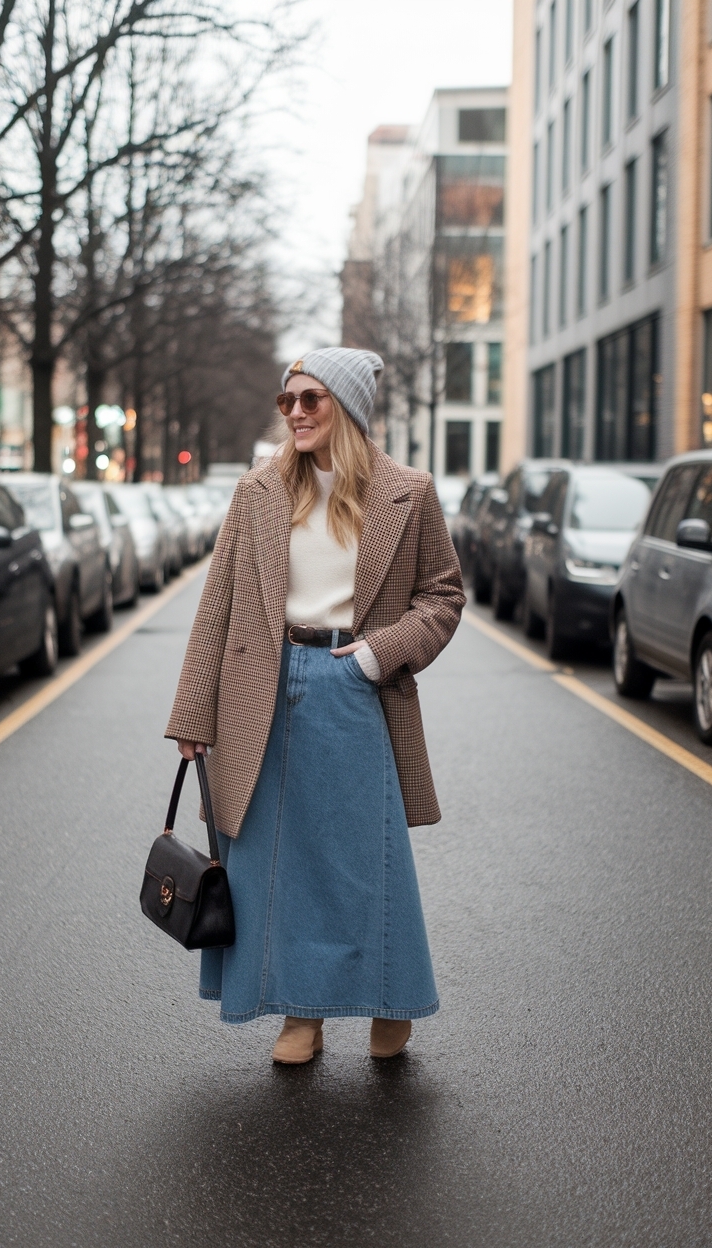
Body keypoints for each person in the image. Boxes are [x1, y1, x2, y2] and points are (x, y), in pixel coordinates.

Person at [166, 347, 466, 1064]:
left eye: (311, 400)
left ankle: (389, 1001)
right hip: (258, 686)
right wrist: (192, 716)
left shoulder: (408, 492)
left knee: (364, 859)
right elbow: (219, 605)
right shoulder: (258, 492)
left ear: (350, 408)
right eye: (287, 401)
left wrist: (374, 655)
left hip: (351, 681)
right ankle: (299, 1016)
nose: (295, 413)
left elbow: (443, 597)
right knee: (273, 861)